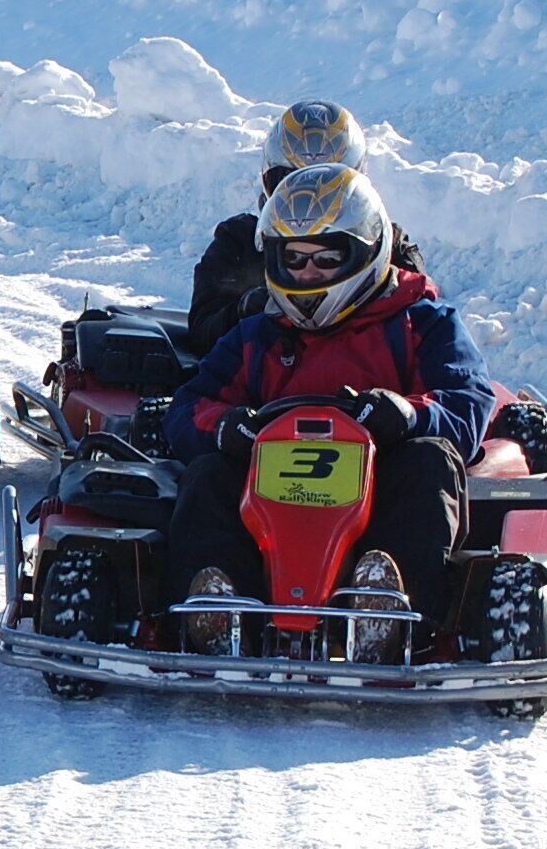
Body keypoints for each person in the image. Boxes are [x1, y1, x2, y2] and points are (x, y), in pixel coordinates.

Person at [162, 165, 495, 655]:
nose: (308, 274)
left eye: (325, 259)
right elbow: (188, 406)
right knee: (208, 473)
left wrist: (406, 414)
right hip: (269, 509)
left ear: (364, 253)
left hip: (380, 499)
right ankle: (221, 608)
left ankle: (387, 610)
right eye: (294, 259)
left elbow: (467, 403)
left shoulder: (421, 321)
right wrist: (226, 427)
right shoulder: (260, 334)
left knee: (430, 461)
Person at [185, 99, 427, 358]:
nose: (308, 196)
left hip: (364, 382)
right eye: (291, 178)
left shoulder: (381, 244)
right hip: (267, 388)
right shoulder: (240, 241)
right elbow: (202, 336)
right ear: (269, 177)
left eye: (328, 181)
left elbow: (425, 333)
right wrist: (245, 310)